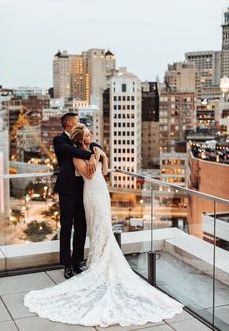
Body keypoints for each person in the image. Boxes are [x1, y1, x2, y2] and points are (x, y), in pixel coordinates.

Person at [24, 124, 183, 327]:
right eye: (89, 134)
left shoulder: (95, 149)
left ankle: (99, 259)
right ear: (82, 138)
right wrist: (94, 157)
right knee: (96, 228)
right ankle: (93, 262)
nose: (92, 136)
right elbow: (89, 175)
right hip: (90, 193)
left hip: (102, 192)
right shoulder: (78, 155)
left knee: (104, 227)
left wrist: (103, 158)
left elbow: (105, 171)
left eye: (91, 133)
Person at [53, 113, 100, 279]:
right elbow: (69, 150)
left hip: (83, 188)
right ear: (68, 124)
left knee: (82, 226)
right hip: (67, 189)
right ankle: (66, 264)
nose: (80, 123)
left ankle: (77, 261)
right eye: (77, 121)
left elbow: (93, 143)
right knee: (66, 227)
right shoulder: (60, 140)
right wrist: (90, 156)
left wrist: (95, 151)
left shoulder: (80, 139)